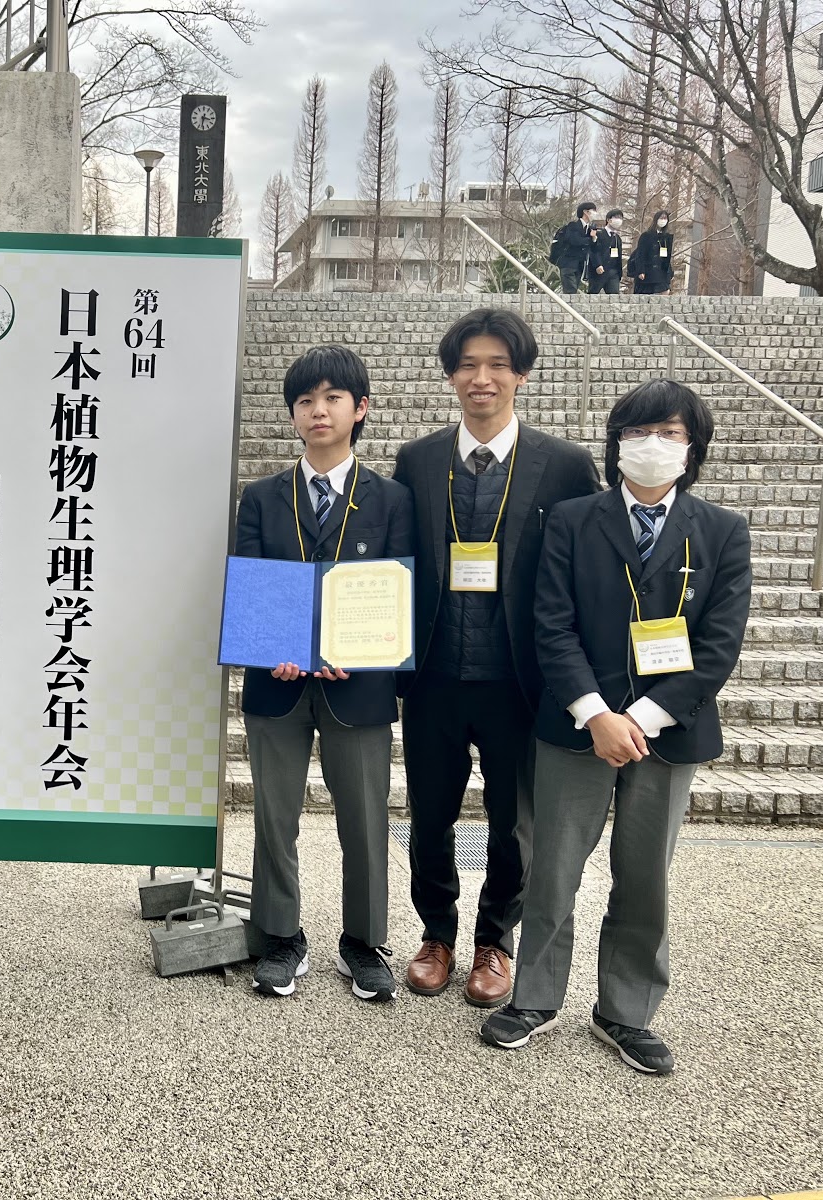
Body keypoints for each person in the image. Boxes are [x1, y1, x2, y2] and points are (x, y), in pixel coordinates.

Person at [481, 381, 751, 1075]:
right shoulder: (572, 520)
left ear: (693, 446)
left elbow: (718, 646)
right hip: (577, 726)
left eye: (669, 431)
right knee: (552, 869)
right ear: (615, 442)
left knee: (645, 876)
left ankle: (625, 1012)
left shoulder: (722, 531)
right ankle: (535, 998)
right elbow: (552, 624)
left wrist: (644, 716)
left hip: (671, 732)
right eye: (638, 432)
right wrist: (596, 713)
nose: (653, 445)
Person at [392, 308, 600, 1008]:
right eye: (469, 365)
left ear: (522, 374)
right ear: (451, 375)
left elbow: (585, 575)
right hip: (433, 676)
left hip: (520, 683)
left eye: (497, 365)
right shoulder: (418, 461)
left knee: (515, 822)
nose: (482, 378)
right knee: (429, 814)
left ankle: (493, 942)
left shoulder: (566, 466)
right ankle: (436, 934)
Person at [234, 345, 415, 1002]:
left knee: (364, 820)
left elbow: (398, 591)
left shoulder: (391, 500)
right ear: (292, 415)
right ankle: (280, 937)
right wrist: (264, 646)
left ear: (359, 409)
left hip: (358, 686)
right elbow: (251, 583)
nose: (319, 410)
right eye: (306, 400)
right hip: (276, 685)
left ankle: (363, 943)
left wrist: (366, 650)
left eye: (333, 398)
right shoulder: (260, 498)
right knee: (274, 815)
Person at [549, 203, 599, 294]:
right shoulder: (573, 226)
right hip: (567, 263)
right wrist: (590, 239)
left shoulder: (590, 229)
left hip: (579, 265)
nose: (595, 213)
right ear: (585, 212)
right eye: (593, 211)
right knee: (570, 290)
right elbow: (575, 241)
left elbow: (593, 248)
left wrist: (594, 238)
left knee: (573, 290)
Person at [627, 211, 675, 294]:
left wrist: (669, 273)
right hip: (647, 273)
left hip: (662, 273)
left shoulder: (666, 237)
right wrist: (640, 271)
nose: (663, 220)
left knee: (665, 293)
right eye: (661, 218)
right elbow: (640, 254)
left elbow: (667, 257)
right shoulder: (646, 236)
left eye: (665, 218)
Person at [587, 208, 625, 294]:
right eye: (616, 217)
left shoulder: (617, 238)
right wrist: (598, 264)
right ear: (608, 219)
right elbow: (593, 250)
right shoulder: (599, 234)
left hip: (613, 272)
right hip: (599, 271)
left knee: (614, 297)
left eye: (620, 218)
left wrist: (619, 273)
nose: (619, 220)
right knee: (593, 295)